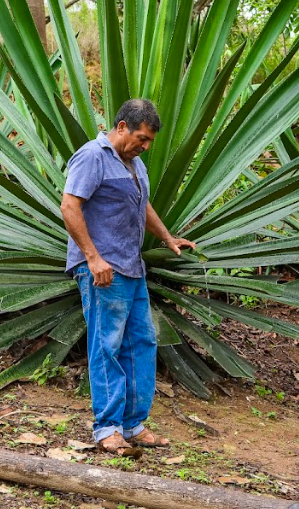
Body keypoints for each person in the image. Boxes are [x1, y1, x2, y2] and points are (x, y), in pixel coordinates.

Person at [60, 99, 196, 455]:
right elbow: (69, 205)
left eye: (149, 141)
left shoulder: (132, 163)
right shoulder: (92, 157)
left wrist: (167, 237)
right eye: (142, 138)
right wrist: (93, 259)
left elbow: (142, 203)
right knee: (107, 344)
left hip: (131, 267)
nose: (145, 147)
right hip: (104, 270)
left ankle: (133, 425)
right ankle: (107, 429)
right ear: (121, 127)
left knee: (142, 342)